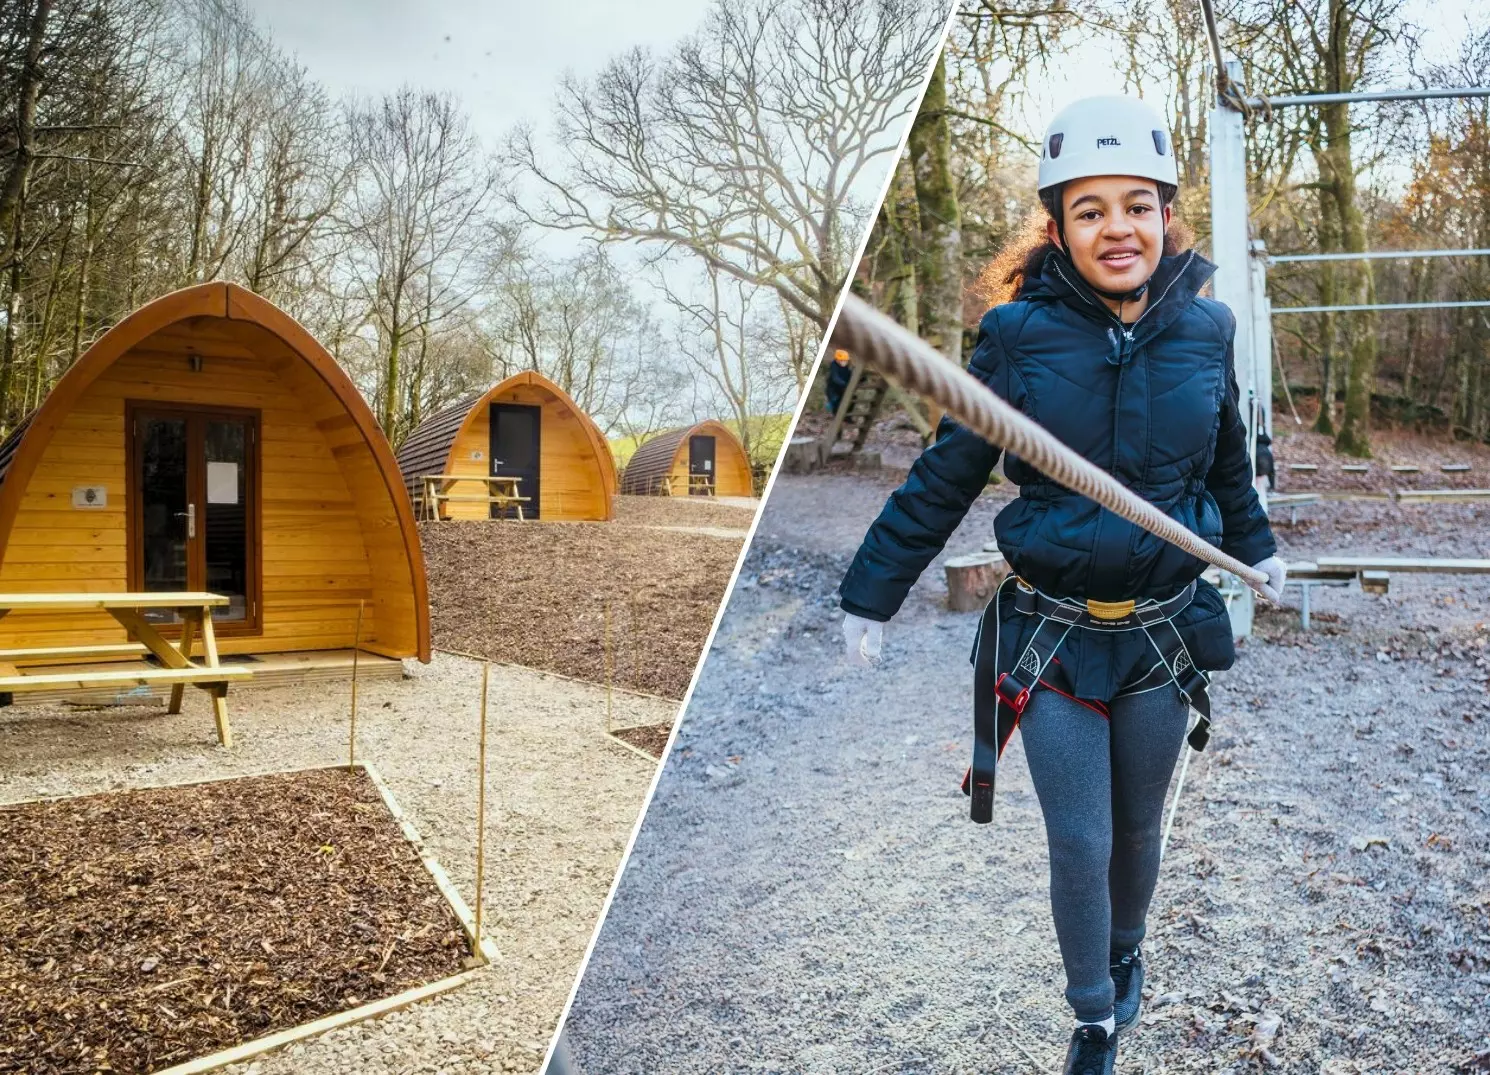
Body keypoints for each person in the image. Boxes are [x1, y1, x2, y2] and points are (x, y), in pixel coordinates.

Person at [836, 95, 1285, 1075]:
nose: (1117, 228)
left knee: (1136, 831)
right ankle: (1092, 1016)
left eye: (1136, 205)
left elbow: (1223, 468)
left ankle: (1125, 953)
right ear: (1057, 228)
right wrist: (871, 592)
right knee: (1079, 840)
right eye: (1090, 210)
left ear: (1165, 215)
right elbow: (945, 473)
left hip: (1160, 635)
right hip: (1052, 640)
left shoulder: (1207, 330)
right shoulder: (1015, 337)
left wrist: (1257, 544)